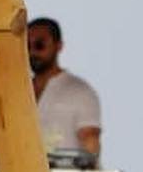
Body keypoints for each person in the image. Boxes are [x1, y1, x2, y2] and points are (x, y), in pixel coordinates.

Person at [27, 16, 102, 160]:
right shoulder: (17, 92)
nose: (32, 52)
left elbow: (90, 144)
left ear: (59, 46)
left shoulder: (80, 92)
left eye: (39, 45)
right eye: (27, 46)